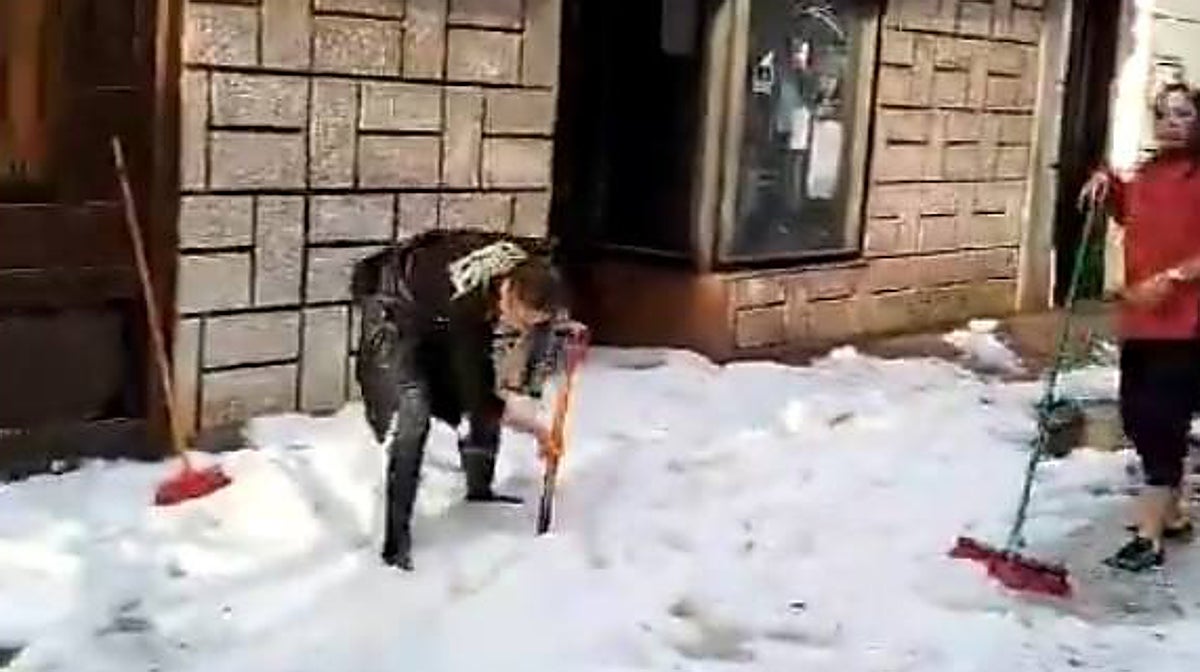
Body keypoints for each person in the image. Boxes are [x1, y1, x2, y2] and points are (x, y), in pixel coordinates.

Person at [351, 230, 576, 571]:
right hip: (393, 303)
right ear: (508, 295)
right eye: (520, 321)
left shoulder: (532, 264)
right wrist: (536, 430)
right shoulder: (466, 305)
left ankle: (480, 493)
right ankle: (395, 545)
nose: (520, 329)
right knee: (416, 407)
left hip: (435, 305)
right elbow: (478, 392)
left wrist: (551, 340)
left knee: (479, 383)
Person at [1080, 82, 1200, 572]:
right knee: (1136, 415)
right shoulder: (1148, 175)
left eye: (1183, 114)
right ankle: (1170, 514)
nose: (1171, 122)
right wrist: (1104, 183)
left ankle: (1147, 539)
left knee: (1159, 422)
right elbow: (1126, 207)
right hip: (1141, 319)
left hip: (1188, 321)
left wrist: (1174, 278)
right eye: (1164, 114)